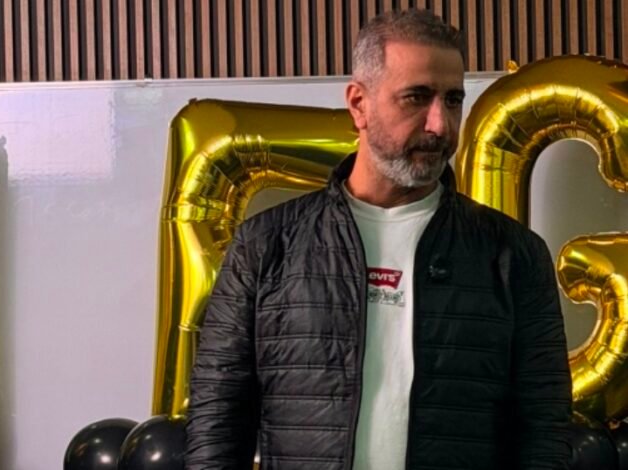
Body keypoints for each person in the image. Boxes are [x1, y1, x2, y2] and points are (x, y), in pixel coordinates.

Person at [185, 9, 571, 470]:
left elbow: (544, 432)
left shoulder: (513, 254)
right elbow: (217, 424)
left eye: (452, 100)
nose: (440, 124)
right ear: (358, 104)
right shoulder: (266, 245)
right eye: (416, 97)